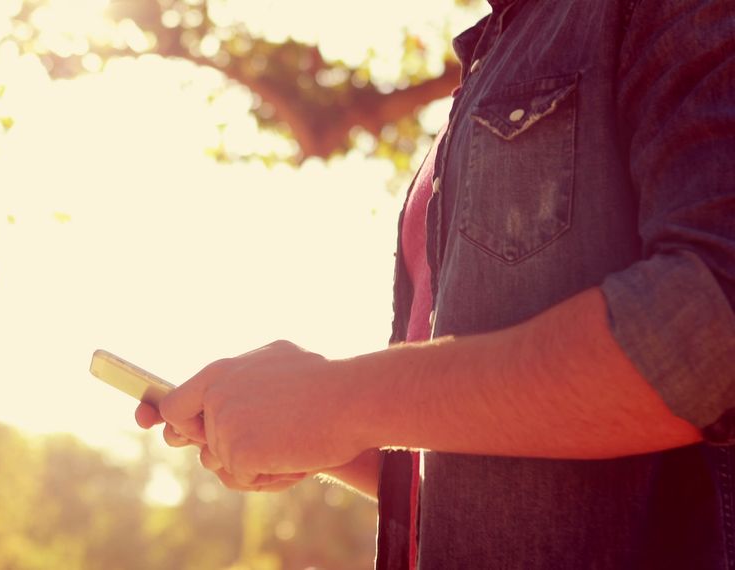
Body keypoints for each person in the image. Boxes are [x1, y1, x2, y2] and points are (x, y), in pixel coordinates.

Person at [136, 0, 735, 567]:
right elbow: (492, 467)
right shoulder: (489, 60)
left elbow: (711, 334)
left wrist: (337, 400)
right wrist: (313, 430)